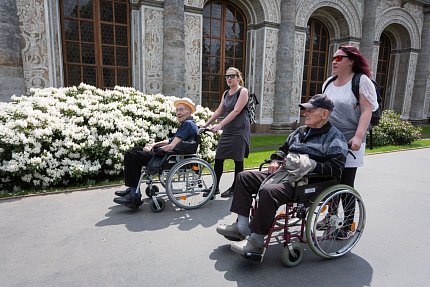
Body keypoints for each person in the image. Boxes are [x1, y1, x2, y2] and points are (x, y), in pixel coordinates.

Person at [216, 94, 349, 256]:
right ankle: (242, 226)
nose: (305, 114)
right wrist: (276, 160)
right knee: (243, 177)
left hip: (306, 181)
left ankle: (256, 241)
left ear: (324, 114)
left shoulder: (335, 137)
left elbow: (336, 169)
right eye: (304, 111)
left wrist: (309, 164)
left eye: (310, 110)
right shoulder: (300, 131)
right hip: (283, 172)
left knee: (269, 191)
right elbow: (283, 149)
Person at [319, 46, 379, 230]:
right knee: (329, 182)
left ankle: (346, 225)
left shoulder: (361, 81)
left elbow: (367, 111)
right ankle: (330, 217)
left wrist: (358, 137)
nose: (334, 62)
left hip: (350, 141)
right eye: (333, 58)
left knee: (345, 184)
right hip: (329, 140)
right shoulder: (329, 82)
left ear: (351, 60)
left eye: (339, 58)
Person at [113, 98, 199, 207]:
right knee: (136, 150)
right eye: (177, 110)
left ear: (189, 111)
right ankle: (132, 189)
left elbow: (171, 146)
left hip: (169, 157)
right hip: (170, 155)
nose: (178, 113)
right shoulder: (187, 124)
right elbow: (170, 141)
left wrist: (155, 150)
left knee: (131, 156)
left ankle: (134, 195)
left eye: (181, 110)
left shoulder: (188, 124)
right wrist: (153, 145)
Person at [201, 67, 250, 198]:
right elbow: (219, 111)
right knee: (219, 158)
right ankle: (215, 187)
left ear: (238, 78)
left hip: (239, 129)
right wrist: (206, 124)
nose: (229, 78)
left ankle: (235, 188)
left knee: (238, 160)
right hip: (228, 129)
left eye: (232, 76)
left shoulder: (243, 91)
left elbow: (236, 111)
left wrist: (220, 125)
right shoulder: (225, 93)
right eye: (227, 76)